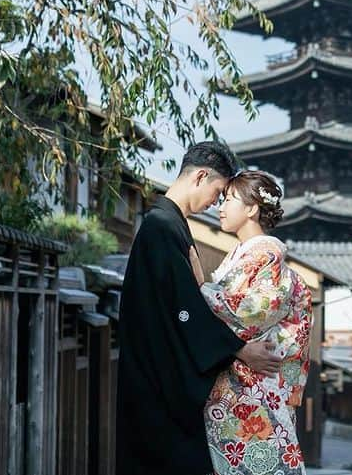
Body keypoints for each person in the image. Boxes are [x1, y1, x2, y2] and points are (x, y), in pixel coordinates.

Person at [116, 142, 282, 475]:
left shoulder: (169, 223)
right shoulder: (161, 227)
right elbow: (184, 308)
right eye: (218, 192)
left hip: (157, 379)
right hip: (156, 386)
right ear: (201, 176)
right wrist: (240, 349)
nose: (215, 203)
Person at [198, 170, 312, 475]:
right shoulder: (243, 255)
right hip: (241, 383)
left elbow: (248, 316)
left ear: (251, 209)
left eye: (229, 200)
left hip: (254, 387)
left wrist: (196, 289)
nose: (220, 207)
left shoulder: (266, 256)